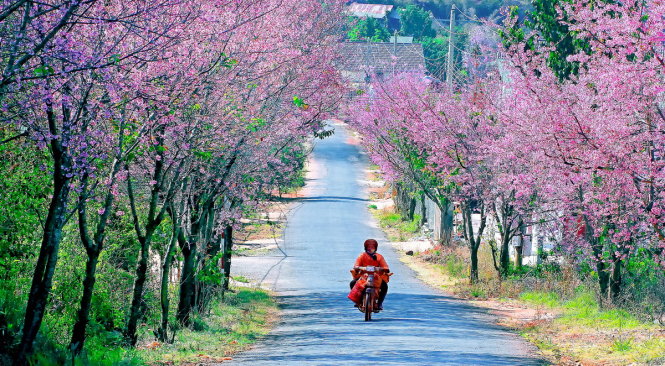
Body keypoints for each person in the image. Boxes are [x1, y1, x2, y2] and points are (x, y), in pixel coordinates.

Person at [350, 239, 390, 310]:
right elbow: (356, 266)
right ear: (365, 248)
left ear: (375, 248)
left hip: (377, 277)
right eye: (369, 248)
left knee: (384, 287)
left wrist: (382, 269)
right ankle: (358, 300)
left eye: (372, 248)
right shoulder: (362, 256)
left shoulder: (379, 257)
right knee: (352, 283)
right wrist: (360, 268)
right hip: (363, 276)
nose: (370, 249)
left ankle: (379, 303)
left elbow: (386, 267)